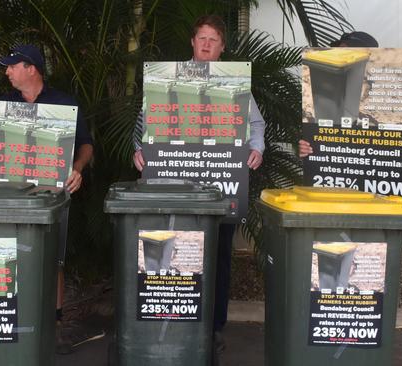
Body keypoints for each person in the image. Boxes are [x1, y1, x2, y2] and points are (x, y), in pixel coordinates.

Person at [132, 14, 266, 358]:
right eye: (202, 38)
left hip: (221, 187)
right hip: (172, 186)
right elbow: (144, 122)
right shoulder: (167, 79)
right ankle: (172, 319)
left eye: (214, 40)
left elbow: (255, 124)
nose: (207, 44)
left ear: (222, 48)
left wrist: (257, 150)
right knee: (173, 248)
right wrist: (138, 151)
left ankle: (214, 328)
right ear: (192, 43)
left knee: (219, 256)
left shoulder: (235, 84)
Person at [0, 45, 97, 354]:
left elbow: (86, 145)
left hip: (52, 194)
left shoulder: (63, 103)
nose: (7, 71)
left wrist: (76, 169)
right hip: (10, 197)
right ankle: (12, 322)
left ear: (31, 68)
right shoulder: (3, 105)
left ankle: (56, 325)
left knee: (55, 257)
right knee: (11, 253)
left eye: (12, 66)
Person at [298, 31, 402, 165]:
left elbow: (393, 150)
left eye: (347, 51)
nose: (339, 54)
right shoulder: (312, 114)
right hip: (335, 172)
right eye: (338, 50)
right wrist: (305, 150)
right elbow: (316, 150)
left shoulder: (384, 106)